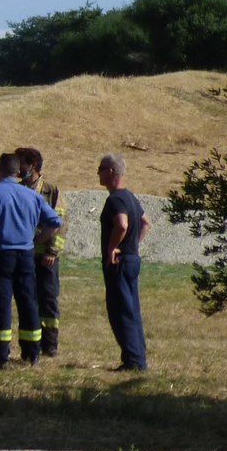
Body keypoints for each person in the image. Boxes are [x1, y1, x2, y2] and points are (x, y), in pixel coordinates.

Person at [0, 151, 61, 368]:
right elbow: (55, 222)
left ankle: (0, 355)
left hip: (0, 254)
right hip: (26, 255)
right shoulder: (32, 195)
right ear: (18, 171)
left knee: (1, 303)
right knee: (28, 301)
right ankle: (31, 352)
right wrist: (37, 240)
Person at [98, 153, 151, 371]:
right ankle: (138, 356)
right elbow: (146, 222)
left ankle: (133, 361)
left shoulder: (116, 199)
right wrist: (132, 246)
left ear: (110, 172)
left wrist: (112, 248)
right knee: (132, 309)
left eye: (100, 169)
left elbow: (122, 224)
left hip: (119, 262)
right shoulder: (130, 197)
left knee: (121, 311)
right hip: (131, 258)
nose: (98, 174)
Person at [16, 147, 67, 358]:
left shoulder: (51, 191)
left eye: (21, 165)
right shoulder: (17, 190)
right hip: (23, 256)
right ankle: (31, 343)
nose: (18, 170)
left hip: (45, 257)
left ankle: (50, 343)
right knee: (28, 299)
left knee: (48, 299)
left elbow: (60, 224)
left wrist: (52, 251)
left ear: (33, 166)